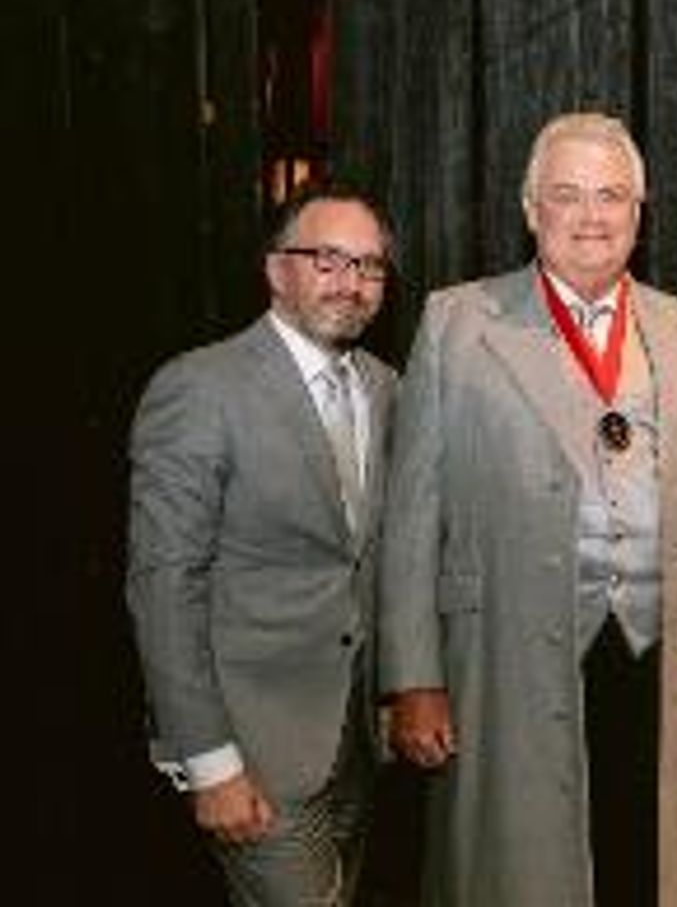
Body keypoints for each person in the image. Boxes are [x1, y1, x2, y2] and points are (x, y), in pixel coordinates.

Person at [377, 111, 677, 907]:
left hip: (662, 650)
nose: (592, 216)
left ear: (639, 211)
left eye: (612, 196)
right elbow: (411, 516)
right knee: (519, 872)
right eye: (568, 195)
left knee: (648, 863)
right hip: (508, 652)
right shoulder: (457, 323)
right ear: (530, 209)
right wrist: (412, 676)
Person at [125, 181, 398, 905]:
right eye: (329, 260)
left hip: (355, 747)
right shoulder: (199, 388)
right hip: (253, 752)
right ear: (278, 270)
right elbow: (163, 586)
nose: (353, 283)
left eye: (370, 267)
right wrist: (209, 762)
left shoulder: (386, 388)